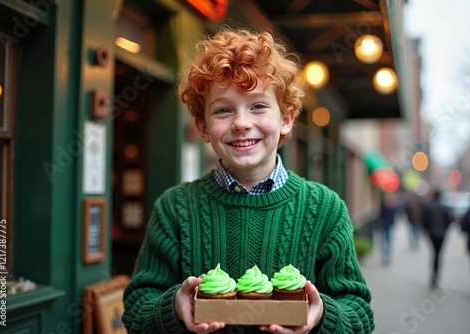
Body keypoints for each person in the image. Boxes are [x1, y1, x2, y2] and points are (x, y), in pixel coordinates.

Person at [122, 27, 374, 334]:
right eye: (224, 110)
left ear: (286, 119)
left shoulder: (325, 209)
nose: (241, 123)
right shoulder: (175, 208)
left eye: (257, 106)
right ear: (203, 128)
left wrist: (322, 316)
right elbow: (136, 311)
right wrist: (172, 307)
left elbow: (360, 315)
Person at [420, 189, 453, 288]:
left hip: (431, 234)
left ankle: (434, 276)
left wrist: (426, 229)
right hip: (441, 234)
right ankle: (436, 276)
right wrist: (444, 229)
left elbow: (424, 220)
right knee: (438, 255)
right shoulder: (444, 207)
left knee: (434, 254)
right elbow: (449, 221)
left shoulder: (428, 206)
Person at [379, 192, 399, 265]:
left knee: (389, 241)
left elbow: (394, 217)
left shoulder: (392, 206)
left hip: (389, 225)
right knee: (385, 241)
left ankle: (387, 256)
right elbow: (381, 215)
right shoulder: (384, 206)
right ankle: (385, 256)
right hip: (384, 225)